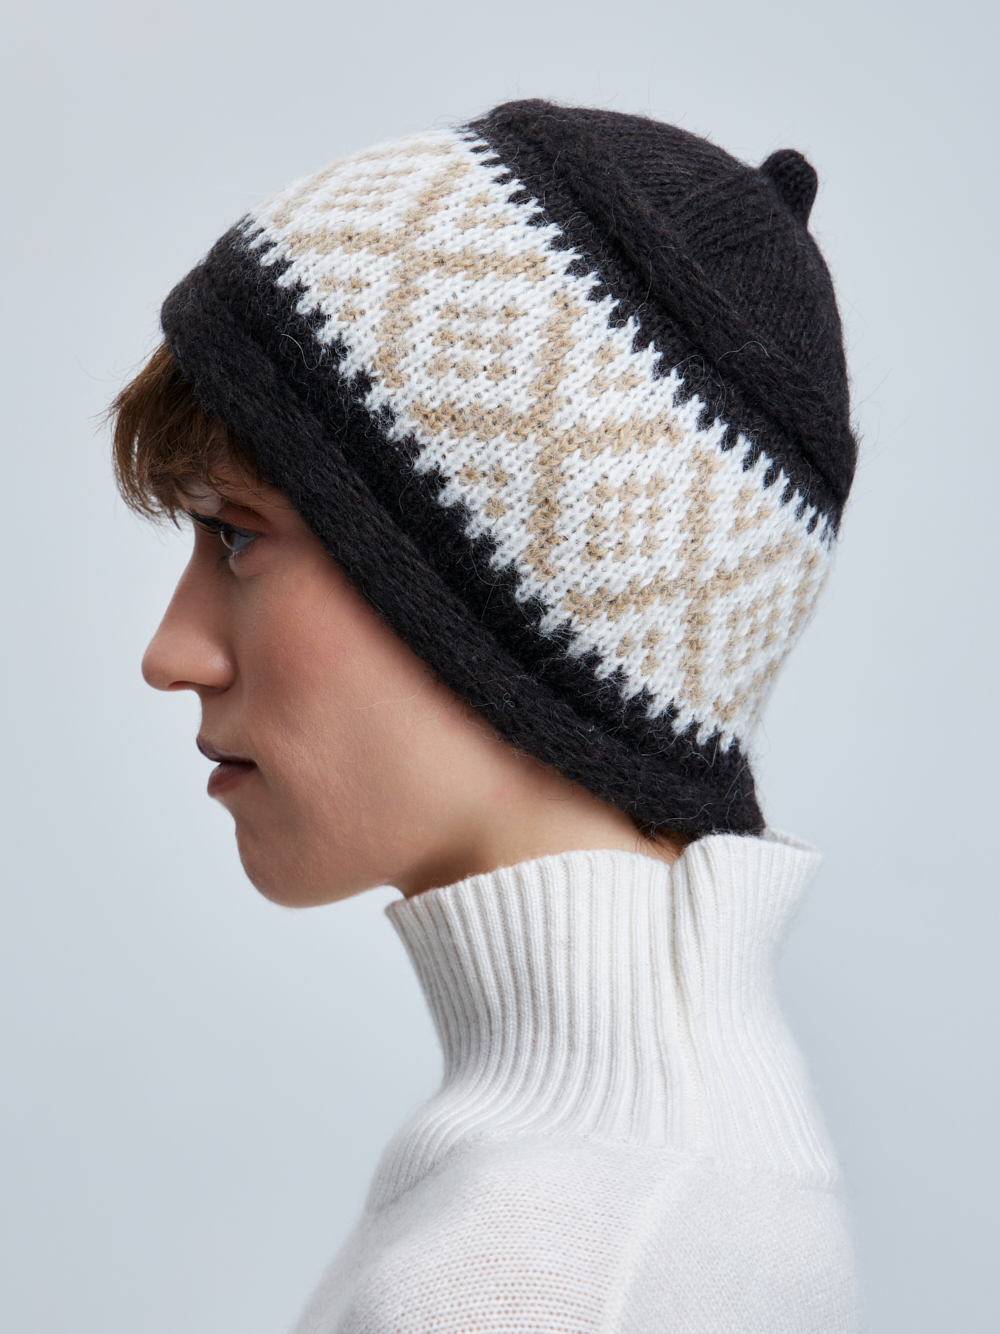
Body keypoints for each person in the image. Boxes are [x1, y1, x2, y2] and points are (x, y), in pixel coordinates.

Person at [110, 100, 861, 1332]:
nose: (171, 653)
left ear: (538, 588)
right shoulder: (650, 1176)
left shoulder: (532, 1272)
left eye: (238, 536)